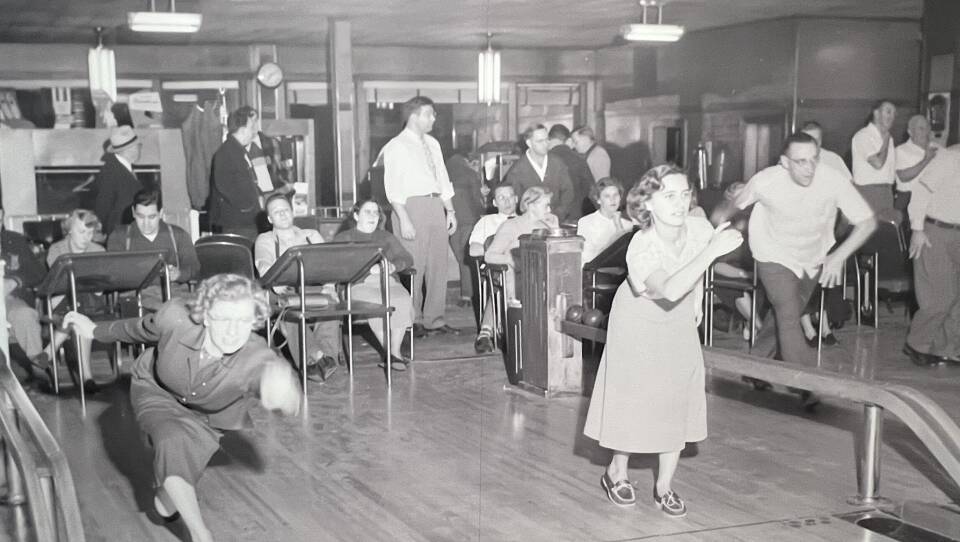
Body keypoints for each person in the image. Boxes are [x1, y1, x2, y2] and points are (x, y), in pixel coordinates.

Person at [62, 274, 301, 542]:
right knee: (171, 439)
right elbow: (137, 328)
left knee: (166, 502)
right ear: (207, 316)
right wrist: (94, 330)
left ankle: (167, 503)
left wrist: (284, 393)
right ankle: (201, 535)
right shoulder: (175, 318)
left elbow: (275, 384)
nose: (233, 331)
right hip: (156, 392)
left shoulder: (256, 356)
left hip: (208, 418)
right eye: (223, 319)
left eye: (243, 321)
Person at [584, 164, 743, 517]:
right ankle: (616, 471)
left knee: (678, 392)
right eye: (669, 195)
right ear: (648, 202)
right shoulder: (641, 246)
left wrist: (699, 300)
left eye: (685, 194)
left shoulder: (699, 227)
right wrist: (713, 252)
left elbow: (695, 271)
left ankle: (664, 486)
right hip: (639, 317)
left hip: (679, 315)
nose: (680, 202)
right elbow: (668, 289)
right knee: (636, 395)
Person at [716, 132, 876, 405]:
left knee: (785, 313)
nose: (809, 168)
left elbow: (868, 223)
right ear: (784, 162)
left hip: (812, 256)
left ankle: (755, 366)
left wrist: (837, 256)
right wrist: (720, 217)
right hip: (772, 254)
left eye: (813, 160)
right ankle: (805, 383)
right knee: (788, 312)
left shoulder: (831, 180)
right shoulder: (767, 180)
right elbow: (737, 202)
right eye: (800, 162)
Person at [382, 96, 459, 338]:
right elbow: (392, 186)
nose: (434, 118)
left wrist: (450, 210)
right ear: (414, 116)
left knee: (439, 264)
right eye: (429, 114)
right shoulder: (396, 145)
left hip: (435, 203)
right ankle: (411, 321)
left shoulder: (433, 143)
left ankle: (434, 320)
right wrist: (403, 218)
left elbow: (443, 178)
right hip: (411, 207)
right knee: (414, 265)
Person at [254, 193, 341, 381]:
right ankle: (314, 358)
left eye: (286, 210)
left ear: (292, 212)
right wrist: (275, 281)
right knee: (291, 310)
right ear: (270, 219)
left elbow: (329, 263)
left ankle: (328, 359)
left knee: (331, 305)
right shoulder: (265, 239)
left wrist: (330, 286)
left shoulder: (311, 235)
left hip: (312, 288)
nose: (283, 214)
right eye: (277, 212)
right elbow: (263, 264)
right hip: (283, 290)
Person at [333, 200, 415, 371]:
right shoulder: (344, 238)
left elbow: (406, 258)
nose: (373, 216)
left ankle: (393, 353)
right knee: (377, 304)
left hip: (388, 281)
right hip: (358, 284)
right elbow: (337, 266)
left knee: (402, 299)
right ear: (356, 216)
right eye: (367, 212)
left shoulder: (385, 237)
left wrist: (394, 266)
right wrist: (367, 269)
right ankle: (392, 354)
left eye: (376, 212)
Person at [904, 147, 960, 366]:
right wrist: (917, 229)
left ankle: (946, 346)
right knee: (939, 296)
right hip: (936, 231)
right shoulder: (949, 157)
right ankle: (917, 344)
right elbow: (921, 191)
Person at [47, 210, 108, 393]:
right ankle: (87, 377)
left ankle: (50, 350)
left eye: (90, 233)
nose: (86, 238)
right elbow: (61, 283)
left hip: (91, 303)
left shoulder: (99, 250)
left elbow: (100, 288)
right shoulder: (56, 250)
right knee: (78, 314)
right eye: (81, 232)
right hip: (63, 302)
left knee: (79, 309)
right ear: (69, 230)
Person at [107, 189, 199, 310]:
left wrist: (179, 274)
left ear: (160, 213)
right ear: (133, 212)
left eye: (151, 217)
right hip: (136, 295)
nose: (146, 223)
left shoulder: (178, 235)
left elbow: (194, 268)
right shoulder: (120, 237)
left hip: (175, 294)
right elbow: (112, 274)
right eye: (140, 217)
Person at [1, 206, 51, 381]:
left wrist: (15, 281)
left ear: (0, 216)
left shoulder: (15, 240)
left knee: (25, 315)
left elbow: (38, 272)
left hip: (11, 299)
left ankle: (38, 365)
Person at [484, 186, 559, 302]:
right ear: (531, 205)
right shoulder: (511, 225)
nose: (549, 210)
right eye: (546, 206)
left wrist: (555, 228)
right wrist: (512, 260)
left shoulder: (546, 226)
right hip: (519, 277)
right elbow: (489, 256)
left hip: (543, 276)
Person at [469, 184, 518, 354]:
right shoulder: (486, 222)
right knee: (505, 280)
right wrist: (497, 251)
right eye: (501, 198)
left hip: (522, 268)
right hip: (495, 269)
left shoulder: (524, 221)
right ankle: (486, 332)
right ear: (494, 203)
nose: (507, 201)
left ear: (517, 199)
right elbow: (473, 250)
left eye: (510, 196)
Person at [209, 106, 262, 242]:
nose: (254, 132)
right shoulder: (227, 152)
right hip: (237, 224)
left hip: (244, 222)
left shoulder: (237, 150)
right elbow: (224, 185)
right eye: (252, 127)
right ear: (242, 129)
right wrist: (248, 205)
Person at [506, 124, 576, 223]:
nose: (545, 144)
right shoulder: (516, 171)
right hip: (530, 225)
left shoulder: (557, 163)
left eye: (547, 139)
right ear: (529, 143)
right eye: (540, 141)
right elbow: (516, 203)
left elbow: (568, 192)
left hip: (558, 221)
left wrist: (558, 215)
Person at [446, 152, 486, 307]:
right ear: (465, 160)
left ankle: (466, 295)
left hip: (451, 222)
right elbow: (476, 199)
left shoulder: (443, 174)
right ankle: (469, 295)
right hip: (469, 220)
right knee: (468, 258)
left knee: (460, 259)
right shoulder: (470, 173)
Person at [851, 100, 900, 222]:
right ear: (876, 113)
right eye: (888, 112)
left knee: (884, 237)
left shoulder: (889, 138)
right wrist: (886, 140)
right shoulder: (863, 136)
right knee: (869, 236)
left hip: (887, 193)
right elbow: (878, 163)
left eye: (894, 114)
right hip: (869, 193)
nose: (892, 117)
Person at [94, 125, 144, 235]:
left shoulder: (122, 168)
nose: (140, 149)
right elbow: (102, 208)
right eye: (138, 146)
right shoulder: (110, 173)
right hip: (120, 236)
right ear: (130, 149)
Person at [577, 177, 631, 264]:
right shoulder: (586, 223)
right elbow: (586, 260)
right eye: (607, 196)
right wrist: (611, 242)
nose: (612, 200)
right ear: (598, 199)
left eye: (615, 195)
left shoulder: (628, 224)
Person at [548, 124, 595, 219]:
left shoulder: (543, 160)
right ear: (567, 141)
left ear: (549, 140)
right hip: (576, 215)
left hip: (550, 216)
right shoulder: (579, 159)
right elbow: (591, 189)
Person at [895, 114, 940, 213]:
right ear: (910, 132)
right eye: (921, 128)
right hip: (909, 200)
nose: (926, 132)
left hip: (934, 200)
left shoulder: (937, 148)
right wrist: (926, 160)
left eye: (928, 128)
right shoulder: (901, 150)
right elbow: (903, 177)